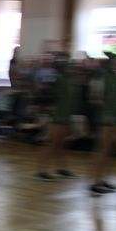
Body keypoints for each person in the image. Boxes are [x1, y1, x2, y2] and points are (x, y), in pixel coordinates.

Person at [35, 52, 78, 181]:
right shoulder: (54, 77)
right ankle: (41, 170)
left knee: (61, 144)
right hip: (55, 117)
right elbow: (44, 93)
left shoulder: (67, 79)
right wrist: (48, 110)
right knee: (50, 143)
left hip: (64, 116)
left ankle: (61, 168)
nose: (68, 65)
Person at [89, 52, 116, 196]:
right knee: (102, 150)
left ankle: (104, 180)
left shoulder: (115, 77)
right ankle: (96, 182)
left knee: (109, 151)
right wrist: (104, 108)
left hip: (113, 117)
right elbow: (95, 97)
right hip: (104, 118)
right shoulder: (101, 75)